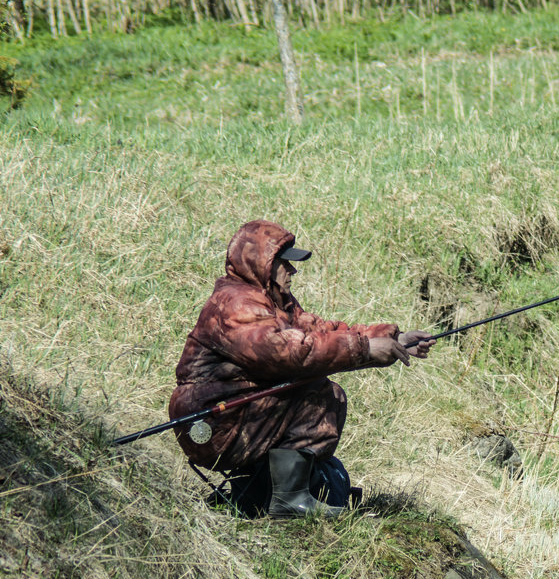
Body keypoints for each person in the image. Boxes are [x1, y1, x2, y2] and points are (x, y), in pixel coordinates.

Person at [169, 219, 433, 518]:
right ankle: (289, 502)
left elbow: (322, 331)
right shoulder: (236, 304)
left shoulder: (273, 301)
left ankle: (270, 494)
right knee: (319, 393)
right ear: (263, 264)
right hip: (213, 422)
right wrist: (366, 349)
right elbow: (292, 353)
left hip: (238, 413)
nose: (293, 271)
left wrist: (392, 339)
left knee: (315, 386)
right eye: (285, 263)